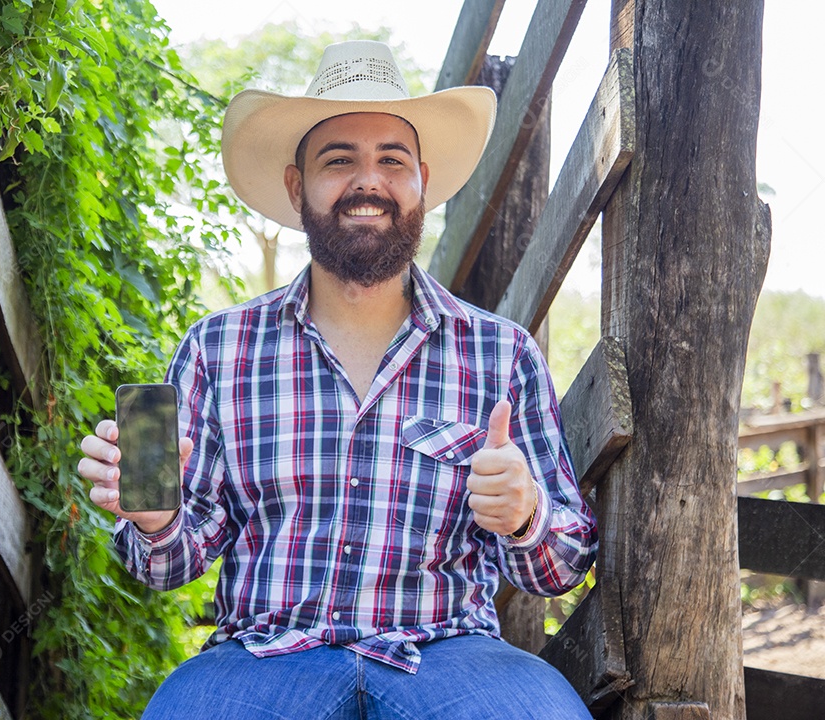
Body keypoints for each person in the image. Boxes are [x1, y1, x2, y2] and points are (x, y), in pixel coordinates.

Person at [79, 40, 598, 719]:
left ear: (421, 183)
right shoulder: (218, 347)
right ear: (298, 187)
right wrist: (157, 519)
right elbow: (167, 567)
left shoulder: (501, 355)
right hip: (263, 656)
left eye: (391, 159)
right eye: (339, 159)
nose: (368, 180)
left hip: (450, 654)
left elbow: (559, 569)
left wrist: (526, 516)